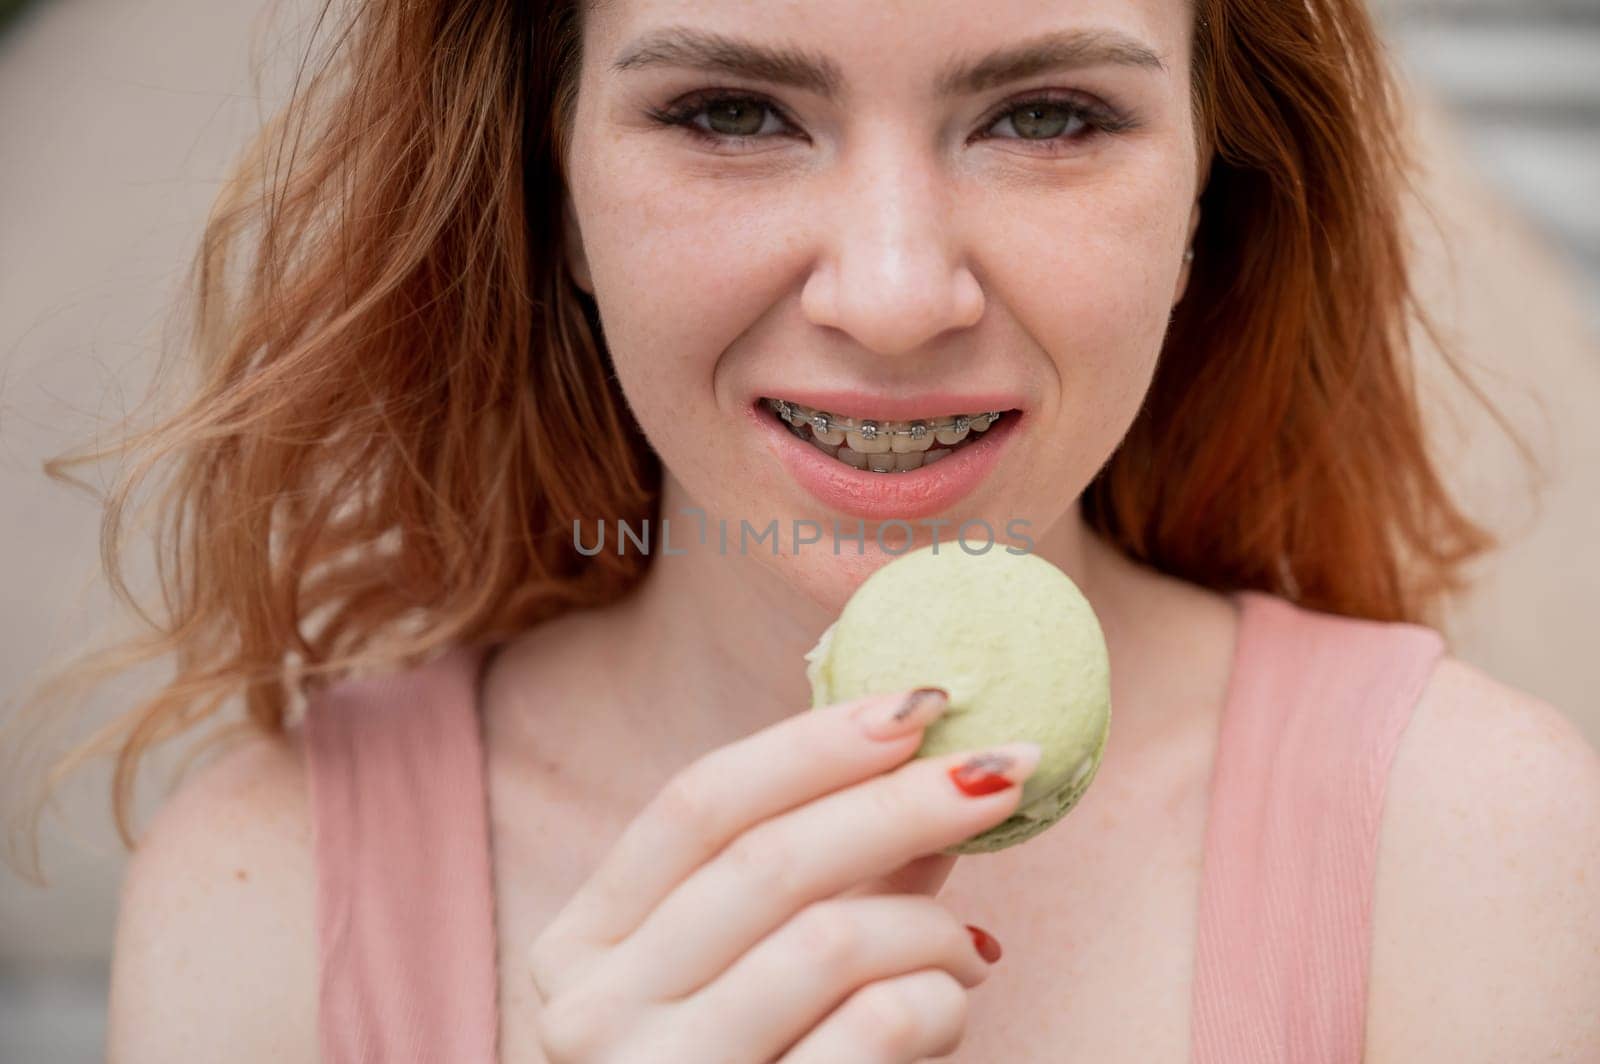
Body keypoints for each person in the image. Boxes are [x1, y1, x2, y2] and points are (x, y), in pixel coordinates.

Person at [8, 0, 1596, 1060]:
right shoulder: (272, 898)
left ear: (1207, 203)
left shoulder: (1477, 849)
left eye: (1045, 115)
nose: (897, 298)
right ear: (550, 192)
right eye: (731, 112)